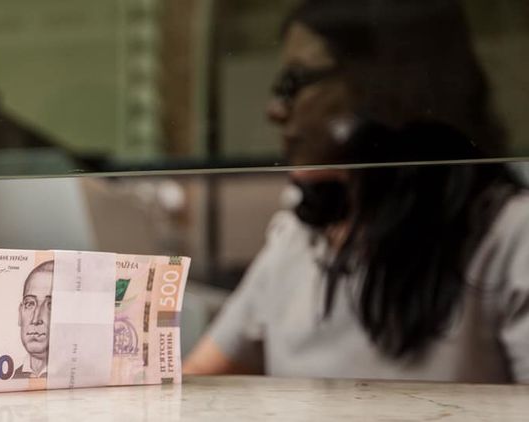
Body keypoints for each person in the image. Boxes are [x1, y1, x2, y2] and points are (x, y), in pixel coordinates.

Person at [184, 0, 529, 383]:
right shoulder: (299, 240)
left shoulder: (510, 236)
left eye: (296, 82)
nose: (276, 111)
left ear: (388, 87)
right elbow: (196, 378)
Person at [13, 260, 53, 379]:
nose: (36, 319)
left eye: (51, 305)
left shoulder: (85, 378)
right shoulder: (12, 378)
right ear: (20, 314)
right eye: (30, 304)